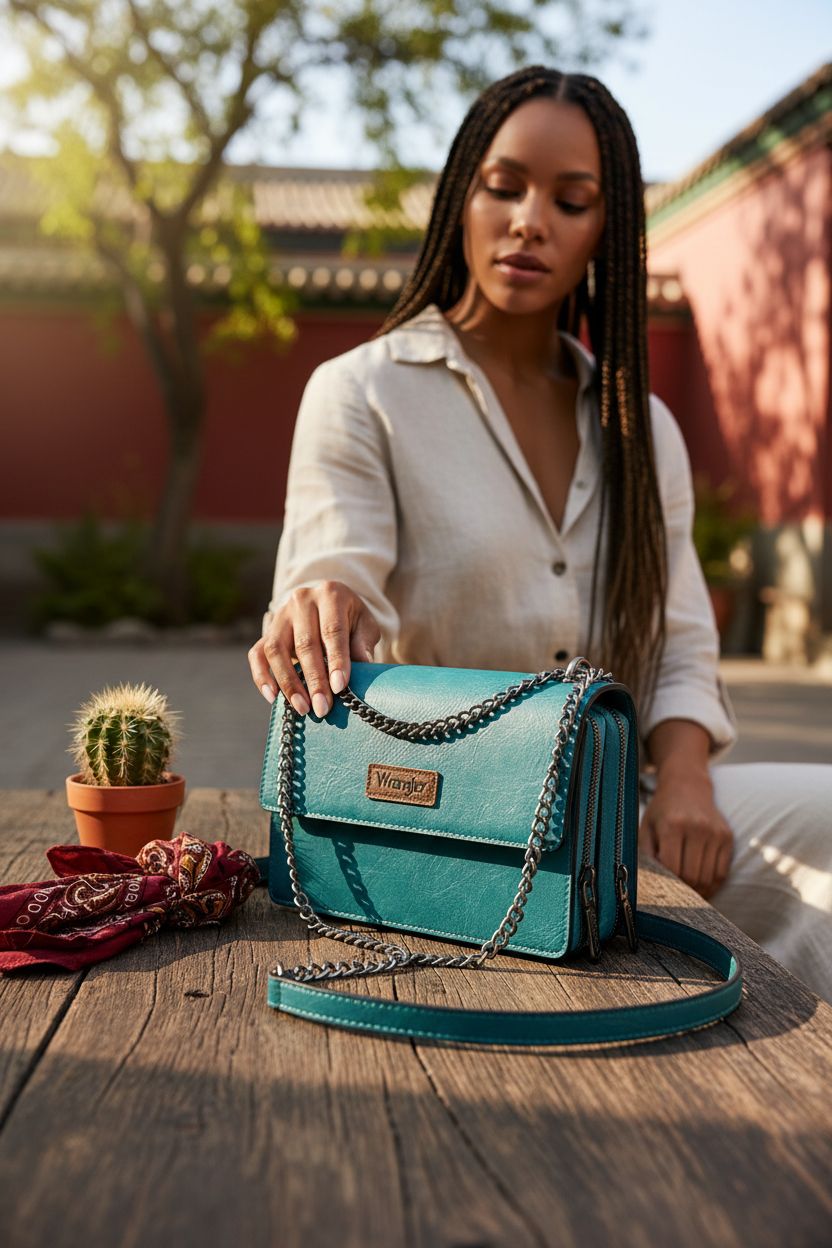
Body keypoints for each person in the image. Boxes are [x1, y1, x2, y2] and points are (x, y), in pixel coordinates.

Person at [248, 66, 832, 1002]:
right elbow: (333, 564)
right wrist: (319, 601)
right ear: (462, 197)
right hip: (443, 815)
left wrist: (685, 784)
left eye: (572, 201)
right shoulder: (363, 391)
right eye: (504, 186)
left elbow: (683, 640)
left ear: (606, 231)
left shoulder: (644, 428)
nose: (531, 220)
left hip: (624, 811)